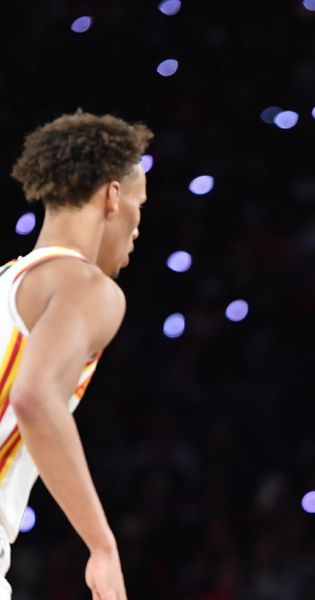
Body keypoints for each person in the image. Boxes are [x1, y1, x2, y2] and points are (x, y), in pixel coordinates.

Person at [1, 110, 152, 599]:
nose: (137, 228)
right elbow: (35, 398)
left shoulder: (8, 281)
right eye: (139, 205)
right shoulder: (89, 286)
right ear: (112, 196)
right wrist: (102, 546)